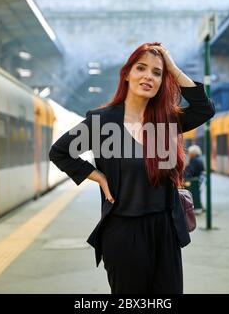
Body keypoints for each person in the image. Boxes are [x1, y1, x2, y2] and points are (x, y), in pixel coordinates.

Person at [49, 42, 215, 294]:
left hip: (165, 231)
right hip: (124, 231)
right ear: (127, 74)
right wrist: (99, 177)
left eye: (157, 72)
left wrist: (171, 66)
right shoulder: (102, 121)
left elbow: (204, 109)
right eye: (141, 68)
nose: (148, 76)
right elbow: (60, 152)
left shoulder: (166, 120)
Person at [184, 145, 205, 213]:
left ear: (193, 153)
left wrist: (183, 177)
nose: (189, 154)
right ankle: (200, 206)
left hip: (193, 182)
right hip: (197, 180)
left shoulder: (194, 160)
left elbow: (190, 172)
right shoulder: (199, 159)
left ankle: (189, 207)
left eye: (189, 153)